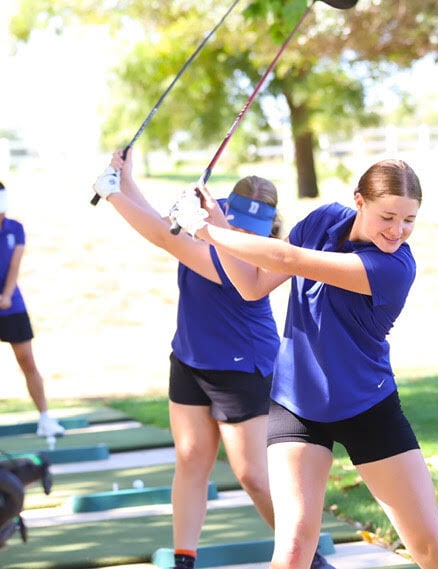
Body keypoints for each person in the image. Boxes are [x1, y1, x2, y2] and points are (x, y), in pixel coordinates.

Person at [170, 158, 438, 569]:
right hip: (297, 405)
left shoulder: (394, 267)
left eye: (409, 220)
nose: (397, 231)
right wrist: (214, 219)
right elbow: (253, 285)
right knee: (292, 550)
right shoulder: (325, 221)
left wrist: (205, 229)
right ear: (359, 201)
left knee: (429, 545)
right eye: (387, 216)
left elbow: (288, 260)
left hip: (367, 407)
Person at [92, 151, 336, 569]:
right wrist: (126, 177)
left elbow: (165, 237)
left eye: (254, 228)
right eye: (237, 221)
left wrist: (113, 194)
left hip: (242, 368)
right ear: (225, 207)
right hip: (190, 358)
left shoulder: (256, 250)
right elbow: (159, 220)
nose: (241, 231)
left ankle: (305, 557)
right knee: (190, 458)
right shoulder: (211, 213)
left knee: (253, 476)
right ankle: (184, 558)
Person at [0, 181, 65, 438]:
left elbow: (14, 266)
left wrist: (5, 295)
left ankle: (45, 418)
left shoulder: (15, 229)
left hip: (11, 304)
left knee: (27, 360)